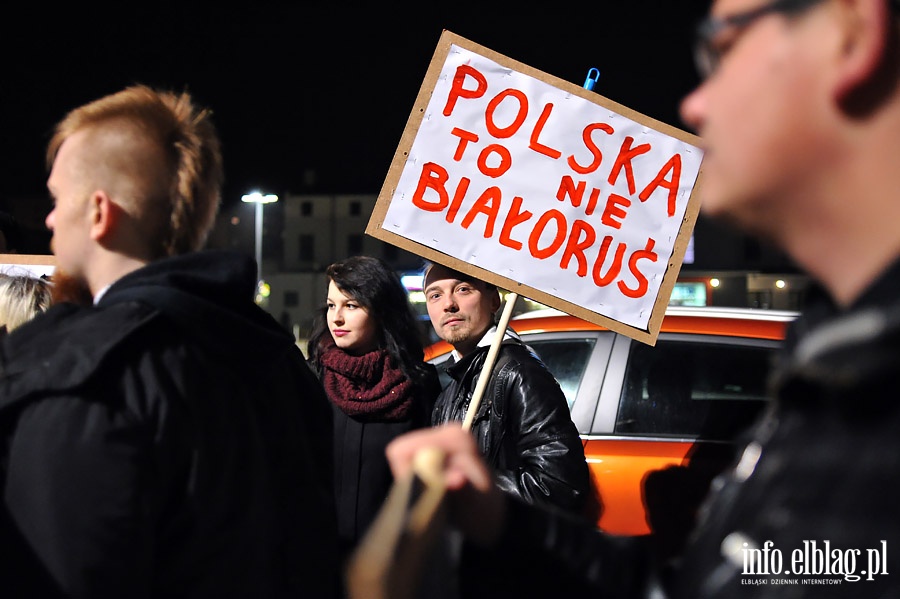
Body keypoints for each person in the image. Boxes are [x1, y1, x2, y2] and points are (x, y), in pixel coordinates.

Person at [386, 0, 900, 597]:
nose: (695, 104)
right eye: (436, 294)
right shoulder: (834, 373)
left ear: (854, 33)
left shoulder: (872, 398)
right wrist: (499, 519)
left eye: (724, 46)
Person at [0, 84, 338, 598]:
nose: (47, 219)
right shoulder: (273, 356)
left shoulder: (86, 371)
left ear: (98, 211)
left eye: (56, 198)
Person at [422, 262, 591, 597]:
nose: (448, 304)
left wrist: (467, 484)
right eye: (435, 295)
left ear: (495, 299)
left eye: (463, 289)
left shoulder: (518, 372)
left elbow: (560, 485)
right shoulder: (453, 384)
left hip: (511, 571)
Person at [306, 256, 441, 569]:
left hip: (390, 564)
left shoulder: (419, 383)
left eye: (351, 305)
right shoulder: (310, 379)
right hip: (319, 561)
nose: (336, 318)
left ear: (382, 311)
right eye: (331, 305)